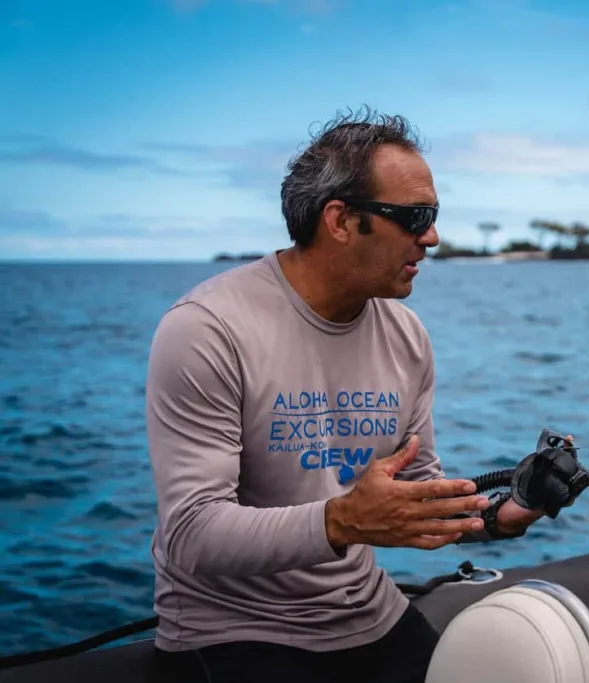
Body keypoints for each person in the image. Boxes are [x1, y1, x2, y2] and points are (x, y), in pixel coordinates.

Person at [145, 107, 552, 683]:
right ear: (340, 220)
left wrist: (502, 514)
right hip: (234, 630)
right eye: (415, 216)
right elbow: (191, 536)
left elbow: (412, 498)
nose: (432, 237)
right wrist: (341, 521)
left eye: (433, 215)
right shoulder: (208, 328)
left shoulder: (406, 334)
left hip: (369, 613)